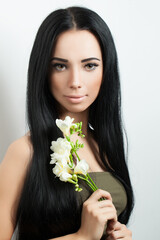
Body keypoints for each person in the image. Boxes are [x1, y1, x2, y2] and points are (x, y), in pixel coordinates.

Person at [0, 6, 134, 240]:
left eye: (89, 65)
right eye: (60, 66)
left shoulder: (104, 145)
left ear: (106, 70)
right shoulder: (24, 152)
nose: (75, 81)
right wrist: (81, 237)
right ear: (44, 71)